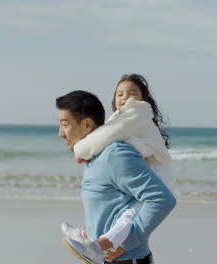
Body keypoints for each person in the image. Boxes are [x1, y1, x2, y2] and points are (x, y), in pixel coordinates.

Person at [61, 74, 175, 260]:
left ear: (144, 99)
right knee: (126, 213)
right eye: (120, 94)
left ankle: (99, 244)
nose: (125, 98)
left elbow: (105, 135)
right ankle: (88, 237)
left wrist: (80, 149)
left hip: (157, 176)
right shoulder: (119, 120)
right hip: (120, 257)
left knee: (129, 215)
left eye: (132, 93)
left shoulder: (138, 113)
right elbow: (106, 134)